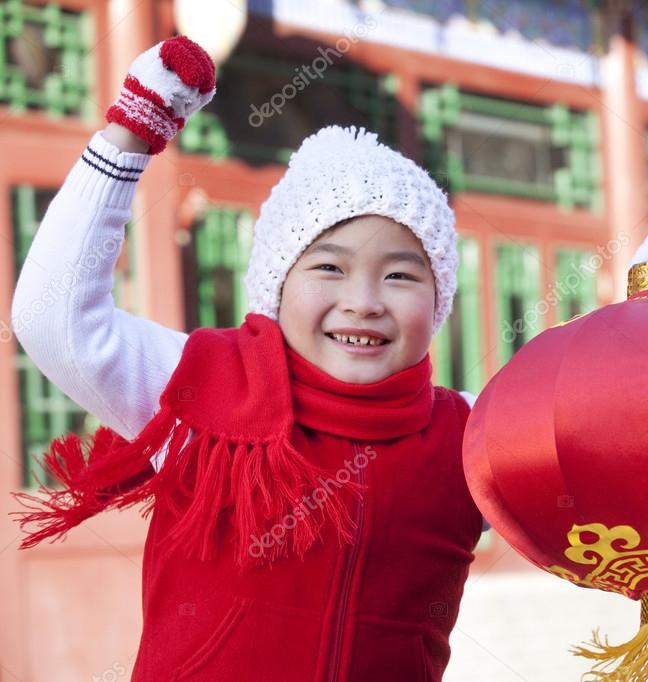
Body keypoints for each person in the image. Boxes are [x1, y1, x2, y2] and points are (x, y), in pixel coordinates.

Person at [10, 35, 484, 681]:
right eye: (327, 268)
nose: (363, 302)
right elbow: (51, 317)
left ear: (439, 299)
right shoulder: (198, 390)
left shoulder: (475, 436)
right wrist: (129, 137)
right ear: (274, 287)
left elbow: (605, 432)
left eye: (401, 276)